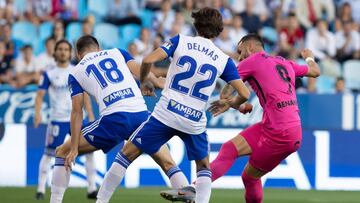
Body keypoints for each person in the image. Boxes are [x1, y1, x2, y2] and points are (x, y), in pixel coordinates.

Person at [95, 7, 250, 203]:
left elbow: (148, 60)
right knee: (203, 167)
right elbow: (244, 93)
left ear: (196, 25)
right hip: (194, 120)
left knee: (126, 154)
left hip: (166, 113)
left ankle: (101, 200)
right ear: (219, 30)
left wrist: (144, 82)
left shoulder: (180, 41)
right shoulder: (223, 59)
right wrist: (229, 103)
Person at [164, 34, 321, 203]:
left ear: (249, 48)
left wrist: (230, 103)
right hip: (281, 127)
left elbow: (226, 91)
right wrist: (309, 57)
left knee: (250, 177)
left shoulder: (251, 61)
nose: (239, 57)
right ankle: (194, 189)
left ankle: (195, 190)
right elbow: (315, 71)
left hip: (279, 133)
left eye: (240, 51)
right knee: (229, 149)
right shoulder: (284, 62)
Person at [50, 35, 189, 203]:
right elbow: (140, 71)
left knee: (62, 152)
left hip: (114, 119)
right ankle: (187, 192)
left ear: (78, 55)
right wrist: (155, 81)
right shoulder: (117, 52)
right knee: (167, 162)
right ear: (99, 48)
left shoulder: (76, 72)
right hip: (142, 115)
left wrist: (73, 148)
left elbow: (77, 111)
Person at [34, 39, 97, 200]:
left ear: (71, 53)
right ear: (55, 52)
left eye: (66, 49)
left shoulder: (77, 70)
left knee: (89, 152)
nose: (63, 52)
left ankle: (91, 188)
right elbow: (40, 95)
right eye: (60, 49)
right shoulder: (48, 73)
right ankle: (41, 189)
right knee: (49, 154)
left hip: (76, 118)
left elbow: (85, 94)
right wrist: (37, 113)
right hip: (57, 119)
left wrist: (90, 113)